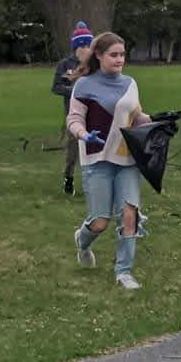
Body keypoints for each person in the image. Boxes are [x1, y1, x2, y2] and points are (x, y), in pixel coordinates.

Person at [68, 31, 154, 291]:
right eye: (114, 55)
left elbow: (136, 117)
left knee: (129, 214)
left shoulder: (130, 83)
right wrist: (84, 134)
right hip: (97, 160)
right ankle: (82, 242)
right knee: (100, 222)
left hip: (127, 159)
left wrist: (158, 122)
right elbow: (74, 119)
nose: (120, 60)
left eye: (123, 55)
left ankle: (124, 272)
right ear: (98, 55)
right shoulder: (84, 85)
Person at [50, 20, 96, 195]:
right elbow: (56, 87)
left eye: (89, 45)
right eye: (83, 46)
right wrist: (74, 91)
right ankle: (68, 178)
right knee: (73, 146)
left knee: (93, 145)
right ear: (76, 47)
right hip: (73, 113)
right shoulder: (65, 65)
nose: (86, 49)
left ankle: (94, 180)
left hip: (93, 112)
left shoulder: (95, 65)